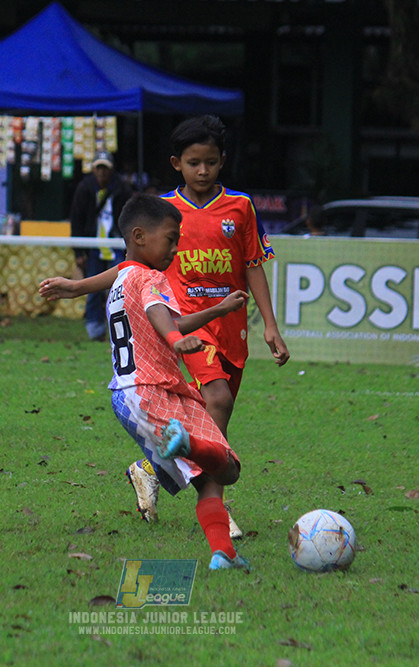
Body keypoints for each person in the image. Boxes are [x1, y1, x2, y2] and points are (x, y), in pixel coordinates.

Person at [40, 115, 290, 535]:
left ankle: (152, 468)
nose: (203, 171)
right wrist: (79, 287)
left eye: (211, 162)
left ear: (222, 161)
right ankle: (217, 509)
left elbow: (253, 266)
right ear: (178, 163)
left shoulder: (241, 207)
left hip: (228, 323)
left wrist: (270, 324)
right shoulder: (161, 212)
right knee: (218, 400)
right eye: (195, 162)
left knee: (214, 411)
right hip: (182, 322)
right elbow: (129, 270)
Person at [104, 192, 251, 570]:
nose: (175, 248)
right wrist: (174, 340)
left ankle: (223, 553)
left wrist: (217, 309)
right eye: (170, 239)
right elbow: (160, 315)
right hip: (148, 392)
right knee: (217, 472)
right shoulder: (150, 277)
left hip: (159, 391)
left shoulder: (123, 276)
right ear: (140, 236)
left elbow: (171, 318)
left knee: (225, 471)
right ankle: (189, 445)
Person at [69, 151, 133, 341]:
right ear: (93, 169)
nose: (102, 172)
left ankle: (125, 330)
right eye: (98, 168)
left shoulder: (122, 188)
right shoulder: (84, 188)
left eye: (105, 168)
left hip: (117, 244)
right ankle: (95, 330)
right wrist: (78, 251)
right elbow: (76, 220)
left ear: (111, 169)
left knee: (123, 289)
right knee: (93, 288)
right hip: (94, 245)